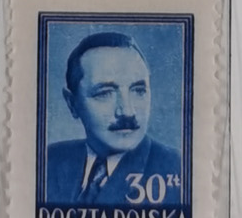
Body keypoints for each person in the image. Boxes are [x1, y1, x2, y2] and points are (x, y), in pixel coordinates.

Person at [40, 31, 183, 203]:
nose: (127, 111)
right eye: (105, 93)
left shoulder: (179, 170)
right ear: (72, 103)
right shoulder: (47, 161)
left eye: (138, 91)